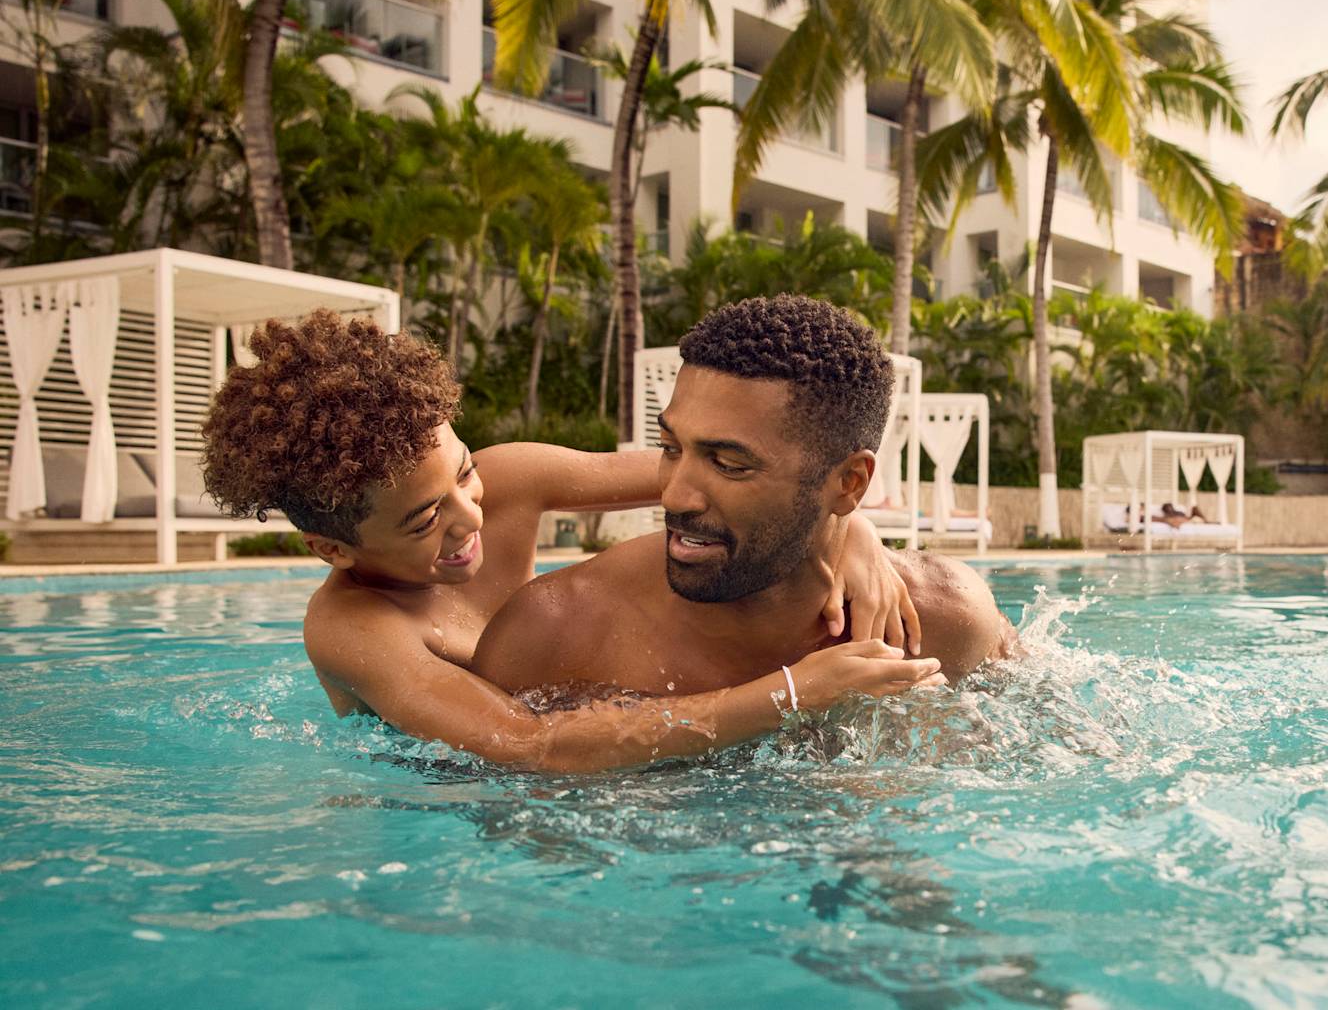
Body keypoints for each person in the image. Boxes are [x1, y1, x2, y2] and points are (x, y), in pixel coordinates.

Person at [200, 311, 929, 772]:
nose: (469, 518)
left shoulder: (510, 477)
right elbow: (532, 745)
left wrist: (849, 525)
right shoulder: (354, 630)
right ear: (334, 549)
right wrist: (794, 693)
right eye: (424, 521)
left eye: (464, 474)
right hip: (449, 795)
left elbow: (745, 481)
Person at [472, 295, 1016, 724]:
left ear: (849, 483)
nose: (674, 497)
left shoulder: (945, 619)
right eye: (670, 448)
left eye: (729, 463)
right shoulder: (554, 635)